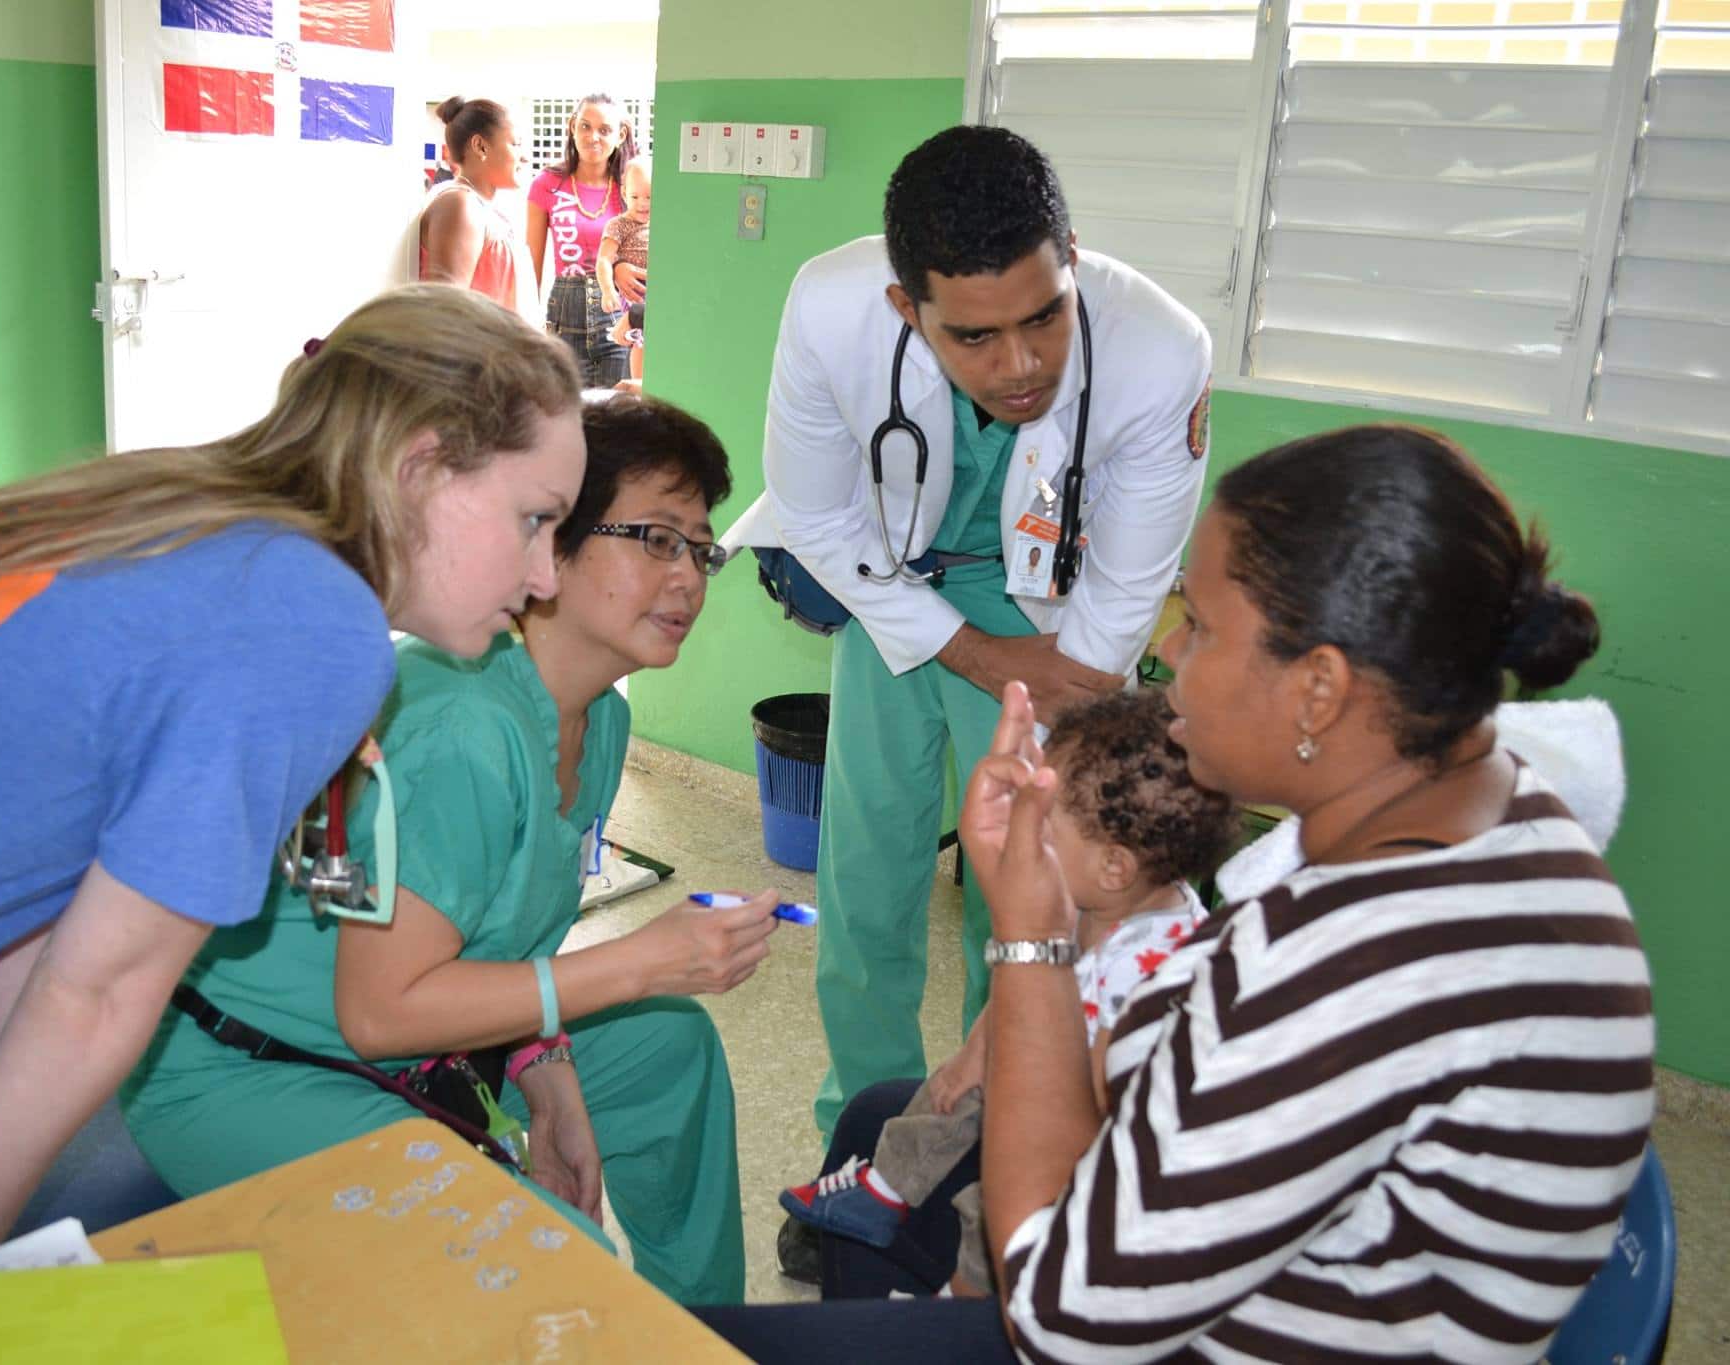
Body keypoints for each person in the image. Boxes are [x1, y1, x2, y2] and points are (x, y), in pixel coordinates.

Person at [0, 284, 585, 1340]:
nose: (541, 575)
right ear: (419, 465)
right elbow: (97, 993)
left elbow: (25, 937)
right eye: (534, 520)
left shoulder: (165, 521)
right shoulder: (311, 624)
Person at [697, 423, 1654, 1363]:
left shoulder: (1359, 968)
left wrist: (1033, 933)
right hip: (1260, 1266)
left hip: (1131, 1322)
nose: (1171, 652)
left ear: (1319, 689)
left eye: (1198, 623)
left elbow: (1057, 1317)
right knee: (881, 1116)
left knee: (687, 1348)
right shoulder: (1502, 810)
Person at [121, 394, 770, 1306]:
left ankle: (711, 1331)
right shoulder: (462, 726)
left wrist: (548, 1079)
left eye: (701, 549)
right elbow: (378, 1014)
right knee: (563, 1265)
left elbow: (510, 933)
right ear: (551, 545)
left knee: (669, 1048)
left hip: (421, 1039)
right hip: (254, 1067)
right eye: (657, 538)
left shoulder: (601, 719)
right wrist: (633, 965)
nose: (690, 578)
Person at [722, 124, 1215, 1252]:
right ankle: (865, 1155)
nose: (1020, 365)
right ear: (907, 308)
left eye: (1044, 316)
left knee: (1029, 903)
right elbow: (824, 518)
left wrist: (1050, 676)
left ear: (1071, 260)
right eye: (974, 338)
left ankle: (988, 1156)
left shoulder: (1158, 350)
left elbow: (1119, 601)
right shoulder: (829, 308)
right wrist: (977, 653)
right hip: (897, 608)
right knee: (865, 891)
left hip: (1061, 618)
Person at [778, 689, 1233, 1298]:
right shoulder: (1096, 895)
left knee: (975, 1203)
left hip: (1075, 1186)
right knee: (875, 1113)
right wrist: (972, 1055)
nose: (1023, 828)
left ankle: (961, 1309)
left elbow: (1082, 1147)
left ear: (1114, 866)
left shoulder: (1146, 977)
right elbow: (1024, 986)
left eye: (1041, 821)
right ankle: (873, 1219)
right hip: (1030, 1101)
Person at [526, 94, 638, 387]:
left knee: (617, 421)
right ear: (572, 126)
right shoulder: (547, 184)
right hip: (564, 322)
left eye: (605, 130)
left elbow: (649, 250)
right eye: (586, 127)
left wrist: (618, 268)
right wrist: (525, 328)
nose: (593, 137)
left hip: (619, 318)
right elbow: (530, 265)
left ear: (621, 134)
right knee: (566, 420)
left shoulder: (632, 188)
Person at [416, 96, 542, 327]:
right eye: (515, 144)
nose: (525, 156)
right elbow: (445, 314)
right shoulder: (460, 205)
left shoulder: (487, 210)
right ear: (480, 146)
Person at [597, 161, 652, 317]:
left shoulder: (661, 225)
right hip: (627, 297)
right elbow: (604, 260)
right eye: (635, 197)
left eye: (650, 197)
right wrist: (607, 291)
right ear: (624, 193)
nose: (642, 203)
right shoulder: (618, 225)